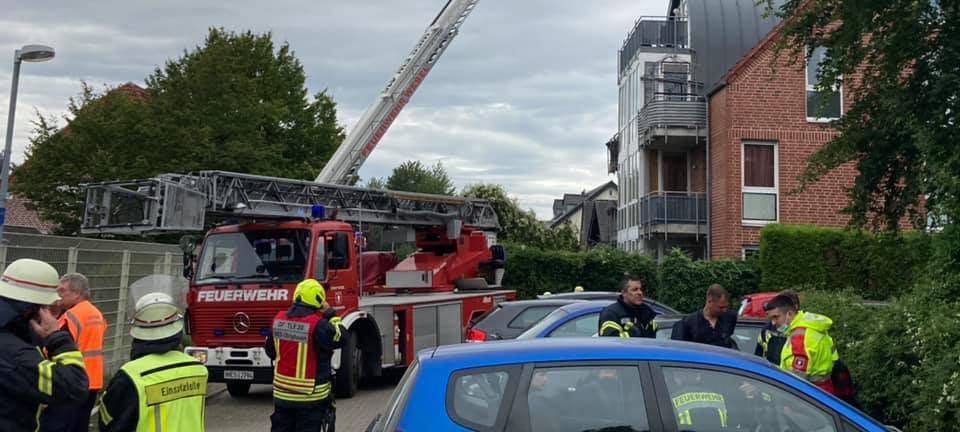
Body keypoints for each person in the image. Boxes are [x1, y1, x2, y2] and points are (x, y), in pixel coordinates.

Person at [0, 259, 89, 431]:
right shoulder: (14, 354)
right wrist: (57, 337)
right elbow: (75, 387)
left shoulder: (13, 336)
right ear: (32, 309)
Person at [99, 292, 208, 432]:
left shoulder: (132, 376)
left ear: (137, 330)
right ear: (176, 327)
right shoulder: (198, 369)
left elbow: (108, 422)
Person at [265, 279, 345, 432]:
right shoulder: (318, 325)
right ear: (318, 300)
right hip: (311, 400)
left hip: (283, 397)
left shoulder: (279, 321)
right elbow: (342, 338)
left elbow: (270, 351)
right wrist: (332, 315)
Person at [42, 273, 107, 432]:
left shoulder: (71, 316)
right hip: (93, 380)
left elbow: (56, 347)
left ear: (77, 293)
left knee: (58, 426)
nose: (58, 295)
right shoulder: (96, 313)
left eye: (63, 291)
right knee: (80, 425)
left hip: (72, 381)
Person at [764, 294, 839, 394]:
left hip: (810, 395)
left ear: (789, 314)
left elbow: (797, 381)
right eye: (771, 319)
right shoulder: (812, 327)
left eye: (776, 317)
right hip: (822, 391)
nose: (773, 323)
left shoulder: (800, 336)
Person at [670, 284, 738, 349]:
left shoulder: (730, 317)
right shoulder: (689, 323)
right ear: (710, 301)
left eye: (726, 307)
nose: (724, 310)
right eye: (721, 307)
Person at [755, 290, 800, 364]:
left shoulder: (802, 331)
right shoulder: (766, 331)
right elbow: (758, 356)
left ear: (794, 308)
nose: (774, 322)